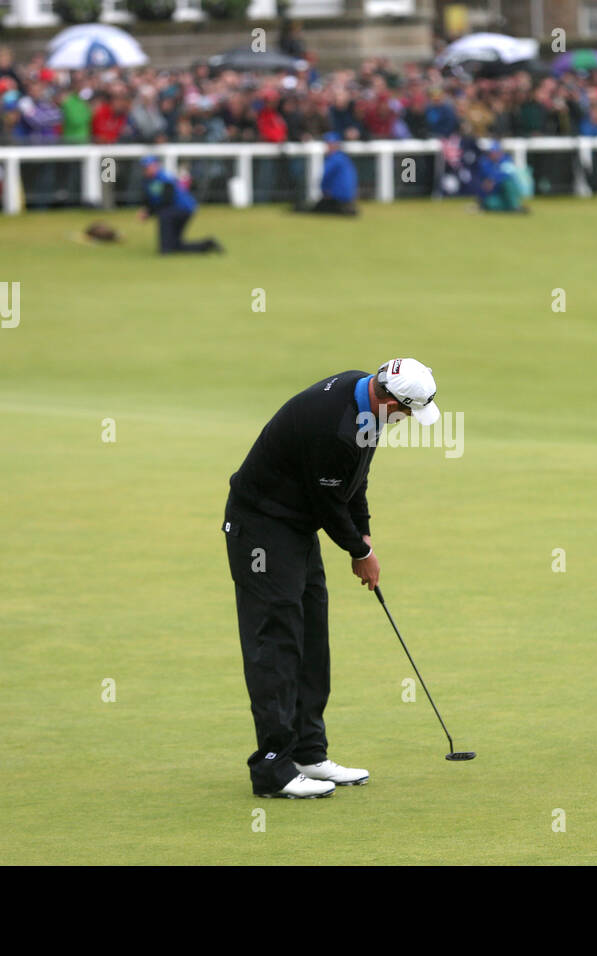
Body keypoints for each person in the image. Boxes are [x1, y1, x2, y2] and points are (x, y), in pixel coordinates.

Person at [223, 359, 441, 799]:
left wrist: (364, 533)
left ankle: (307, 753)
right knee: (276, 643)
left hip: (293, 527)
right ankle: (272, 770)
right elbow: (328, 504)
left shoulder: (363, 396)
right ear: (389, 399)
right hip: (261, 530)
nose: (404, 422)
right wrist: (360, 553)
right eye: (406, 413)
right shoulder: (335, 427)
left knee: (312, 638)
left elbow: (354, 482)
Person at [137, 154, 223, 255]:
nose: (146, 169)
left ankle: (165, 249)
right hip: (174, 210)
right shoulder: (147, 181)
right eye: (144, 167)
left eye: (148, 166)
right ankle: (207, 245)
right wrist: (147, 210)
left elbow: (166, 200)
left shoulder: (165, 178)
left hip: (182, 209)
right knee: (175, 245)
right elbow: (150, 199)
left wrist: (150, 212)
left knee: (164, 216)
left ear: (156, 166)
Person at [294, 132, 358, 215]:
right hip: (346, 198)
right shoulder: (343, 158)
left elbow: (323, 176)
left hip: (337, 198)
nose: (328, 146)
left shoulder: (335, 159)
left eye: (330, 144)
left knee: (311, 209)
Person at [476, 140, 530, 213]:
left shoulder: (506, 160)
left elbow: (508, 175)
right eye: (492, 152)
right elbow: (484, 183)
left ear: (500, 152)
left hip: (506, 193)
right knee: (490, 204)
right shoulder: (484, 162)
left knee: (508, 182)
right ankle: (513, 208)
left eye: (496, 152)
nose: (494, 154)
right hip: (494, 194)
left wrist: (494, 180)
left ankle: (514, 206)